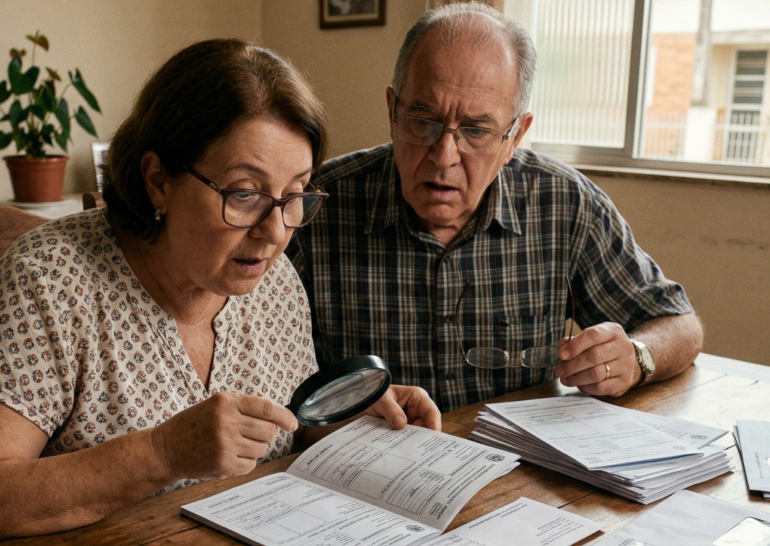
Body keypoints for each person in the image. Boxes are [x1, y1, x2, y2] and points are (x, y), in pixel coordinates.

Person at [0, 38, 441, 546]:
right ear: (158, 181)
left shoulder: (274, 280)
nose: (276, 231)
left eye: (296, 195)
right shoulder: (51, 279)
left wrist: (341, 419)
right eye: (244, 194)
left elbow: (281, 434)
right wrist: (162, 452)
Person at [289, 2, 702, 413]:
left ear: (515, 135)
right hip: (363, 464)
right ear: (392, 111)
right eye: (423, 121)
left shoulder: (564, 205)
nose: (444, 155)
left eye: (476, 130)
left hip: (519, 468)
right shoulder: (313, 208)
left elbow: (678, 324)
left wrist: (638, 356)